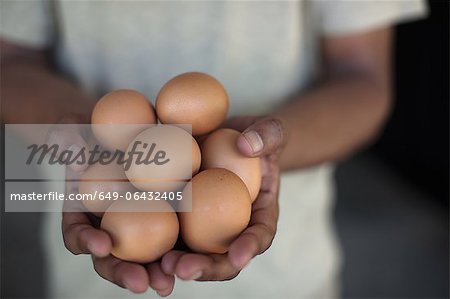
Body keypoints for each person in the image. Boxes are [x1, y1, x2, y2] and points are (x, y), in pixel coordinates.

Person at [1, 1, 427, 298]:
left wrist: (264, 151)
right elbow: (11, 65)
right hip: (89, 281)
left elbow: (362, 80)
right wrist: (86, 132)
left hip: (284, 279)